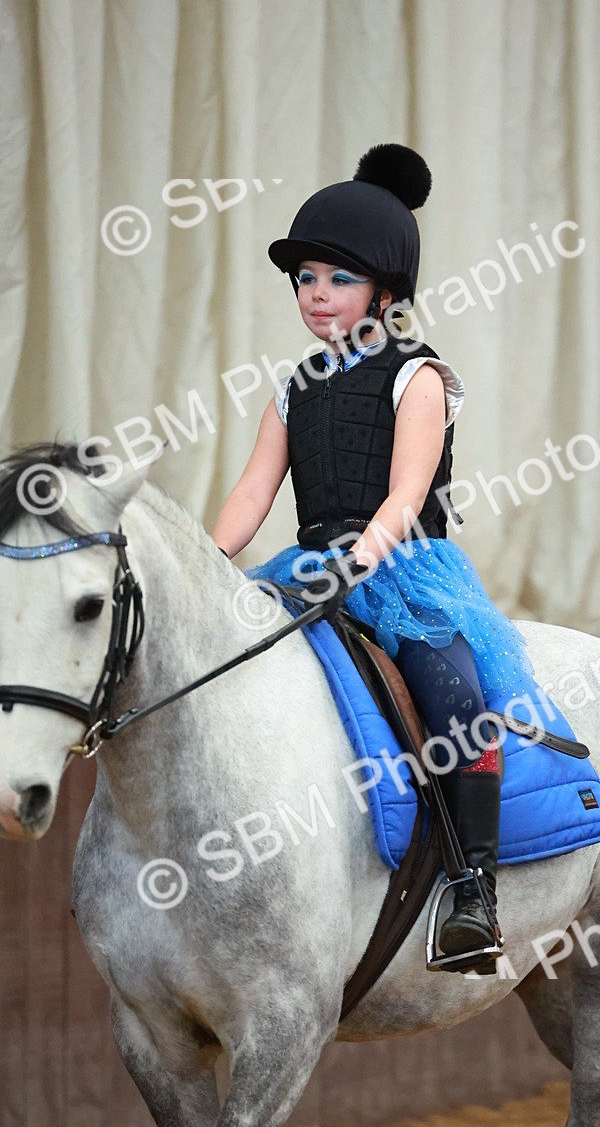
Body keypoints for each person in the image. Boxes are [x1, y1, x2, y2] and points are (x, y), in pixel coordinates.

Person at [212, 143, 538, 973]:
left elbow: (403, 496)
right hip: (310, 566)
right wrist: (207, 557)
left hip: (402, 569)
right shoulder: (294, 388)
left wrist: (362, 561)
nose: (317, 296)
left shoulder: (418, 377)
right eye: (306, 279)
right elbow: (254, 493)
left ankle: (474, 893)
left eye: (338, 279)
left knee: (456, 696)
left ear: (386, 291)